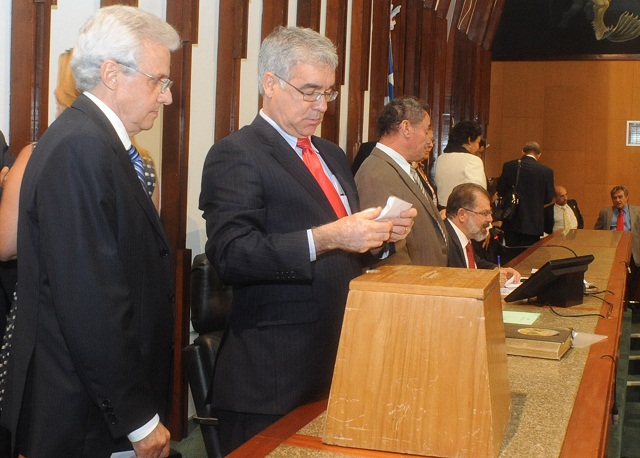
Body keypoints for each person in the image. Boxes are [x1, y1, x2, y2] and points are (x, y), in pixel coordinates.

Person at [199, 26, 416, 455]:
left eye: (328, 93)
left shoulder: (331, 154)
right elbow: (232, 254)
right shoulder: (237, 153)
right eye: (309, 91)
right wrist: (328, 236)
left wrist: (380, 237)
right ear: (270, 83)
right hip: (274, 374)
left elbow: (347, 248)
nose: (321, 105)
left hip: (341, 357)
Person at [2, 6, 180, 457]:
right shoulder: (81, 147)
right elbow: (92, 300)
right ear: (111, 74)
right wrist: (139, 419)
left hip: (95, 406)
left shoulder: (92, 140)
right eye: (158, 81)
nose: (166, 97)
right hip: (82, 414)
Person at [56, 48, 161, 211]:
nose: (165, 97)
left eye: (58, 99)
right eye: (155, 82)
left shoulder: (39, 154)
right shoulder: (143, 163)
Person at [354, 96, 448, 266]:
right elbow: (387, 252)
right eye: (426, 130)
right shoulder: (376, 174)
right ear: (406, 128)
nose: (429, 140)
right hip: (411, 280)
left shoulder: (403, 168)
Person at [445, 183, 520, 283]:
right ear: (462, 215)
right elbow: (453, 282)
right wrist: (489, 280)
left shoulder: (464, 237)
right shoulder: (443, 243)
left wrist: (497, 271)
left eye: (490, 212)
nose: (490, 219)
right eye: (484, 213)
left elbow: (476, 263)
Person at [498, 141, 555, 263]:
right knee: (529, 258)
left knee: (511, 256)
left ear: (523, 151)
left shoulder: (509, 166)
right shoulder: (546, 171)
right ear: (539, 154)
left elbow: (501, 189)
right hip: (533, 223)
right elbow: (549, 198)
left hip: (512, 219)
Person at [594, 186, 640, 304]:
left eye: (620, 197)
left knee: (632, 282)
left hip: (632, 251)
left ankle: (629, 305)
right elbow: (597, 232)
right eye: (615, 198)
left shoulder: (637, 211)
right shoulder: (605, 212)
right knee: (614, 281)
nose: (618, 200)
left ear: (626, 197)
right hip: (612, 252)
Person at [434, 120, 485, 207]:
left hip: (442, 210)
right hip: (464, 211)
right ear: (469, 140)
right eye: (477, 142)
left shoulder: (441, 158)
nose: (478, 147)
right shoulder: (473, 160)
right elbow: (479, 193)